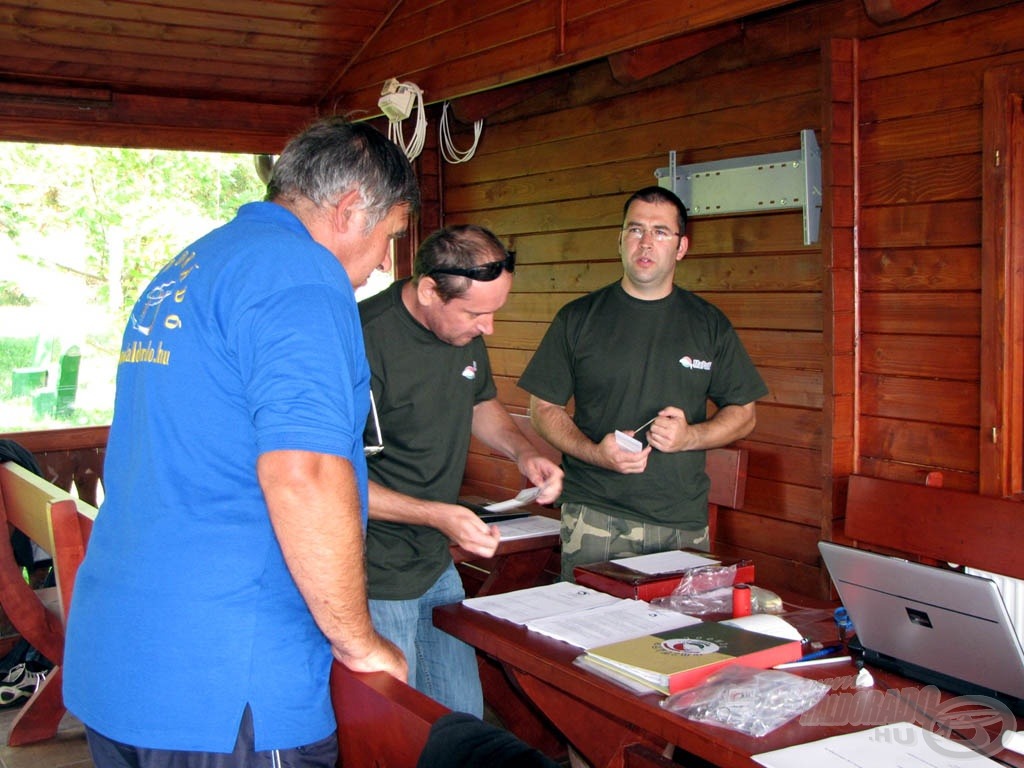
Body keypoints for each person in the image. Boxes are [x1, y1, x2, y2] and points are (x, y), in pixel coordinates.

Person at [62, 117, 420, 768]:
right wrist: (360, 643)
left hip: (122, 660)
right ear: (349, 211)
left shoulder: (193, 265)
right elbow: (304, 472)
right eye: (390, 238)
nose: (379, 269)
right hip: (228, 680)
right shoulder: (302, 275)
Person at [359, 224, 563, 716]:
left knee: (463, 719)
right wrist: (438, 515)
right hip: (370, 574)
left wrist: (523, 453)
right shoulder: (360, 339)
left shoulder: (464, 329)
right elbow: (331, 481)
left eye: (495, 312)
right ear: (429, 289)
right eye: (477, 313)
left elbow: (479, 402)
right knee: (397, 729)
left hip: (435, 561)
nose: (488, 328)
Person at [518, 185, 768, 582]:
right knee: (590, 636)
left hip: (682, 521)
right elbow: (543, 408)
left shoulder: (708, 323)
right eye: (635, 230)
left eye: (660, 232)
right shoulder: (578, 318)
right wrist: (595, 452)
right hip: (596, 514)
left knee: (677, 639)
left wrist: (690, 437)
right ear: (620, 241)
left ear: (681, 247)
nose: (646, 242)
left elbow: (744, 413)